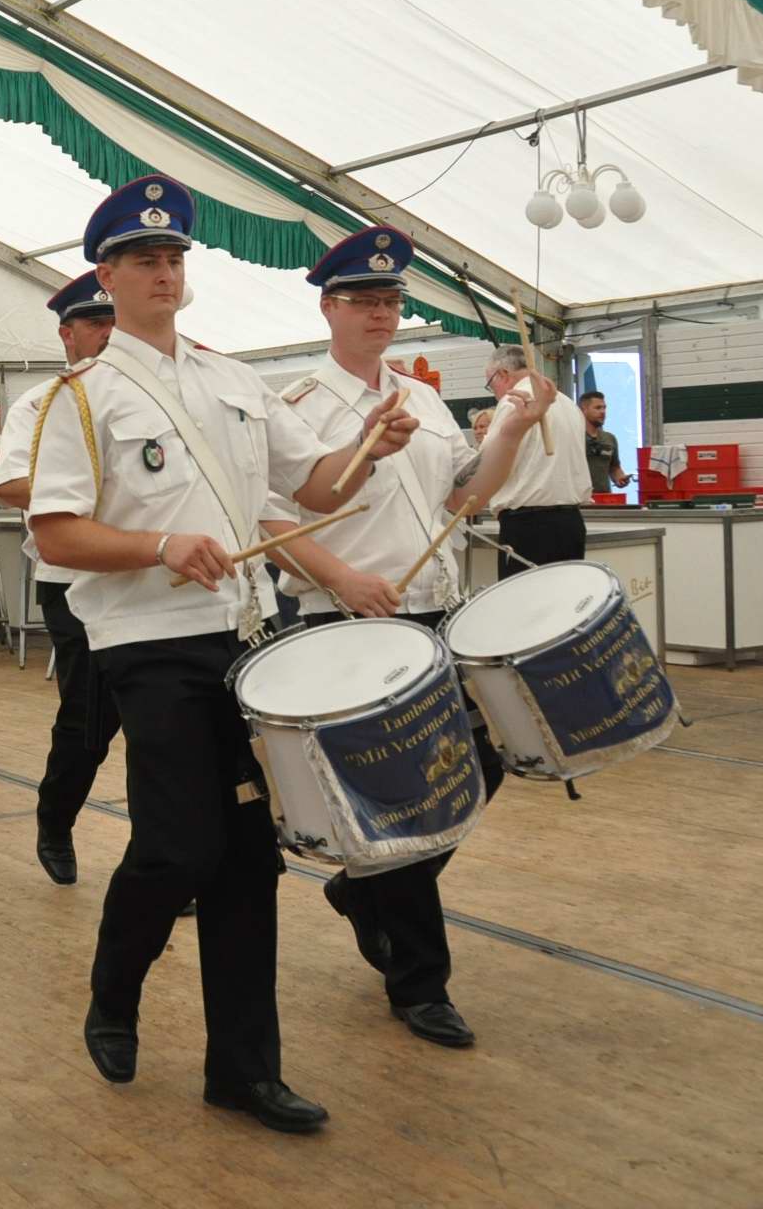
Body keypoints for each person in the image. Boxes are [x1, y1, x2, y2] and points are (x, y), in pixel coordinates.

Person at [28, 176, 417, 1136]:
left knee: (248, 859)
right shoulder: (79, 398)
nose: (164, 273)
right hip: (147, 646)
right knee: (180, 844)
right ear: (106, 278)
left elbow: (316, 489)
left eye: (173, 259)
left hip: (245, 639)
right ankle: (115, 986)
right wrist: (160, 546)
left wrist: (370, 449)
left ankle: (243, 1071)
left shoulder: (235, 381)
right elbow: (55, 534)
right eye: (143, 261)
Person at [258, 226, 553, 1049]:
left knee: (480, 763)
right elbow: (268, 519)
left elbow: (464, 496)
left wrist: (511, 431)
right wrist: (340, 579)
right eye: (364, 301)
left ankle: (364, 891)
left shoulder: (422, 399)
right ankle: (421, 983)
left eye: (391, 301)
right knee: (399, 793)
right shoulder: (294, 407)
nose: (381, 314)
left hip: (432, 611)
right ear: (329, 308)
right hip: (345, 621)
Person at [0, 272, 120, 886]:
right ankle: (55, 819)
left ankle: (162, 858)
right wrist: (95, 491)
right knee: (88, 721)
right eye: (95, 323)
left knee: (162, 725)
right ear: (67, 335)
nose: (108, 333)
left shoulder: (156, 397)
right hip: (74, 578)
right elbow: (10, 484)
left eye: (115, 321)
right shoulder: (40, 403)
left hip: (152, 576)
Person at [481, 343, 590, 565]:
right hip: (571, 523)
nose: (495, 394)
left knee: (525, 589)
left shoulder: (515, 401)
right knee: (565, 588)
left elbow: (488, 463)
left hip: (529, 525)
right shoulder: (567, 403)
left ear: (503, 374)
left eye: (491, 385)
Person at [580, 390, 629, 495]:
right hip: (580, 498)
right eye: (598, 408)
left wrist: (620, 478)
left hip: (604, 498)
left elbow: (614, 468)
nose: (603, 412)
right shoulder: (574, 437)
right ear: (584, 410)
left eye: (604, 408)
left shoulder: (610, 439)